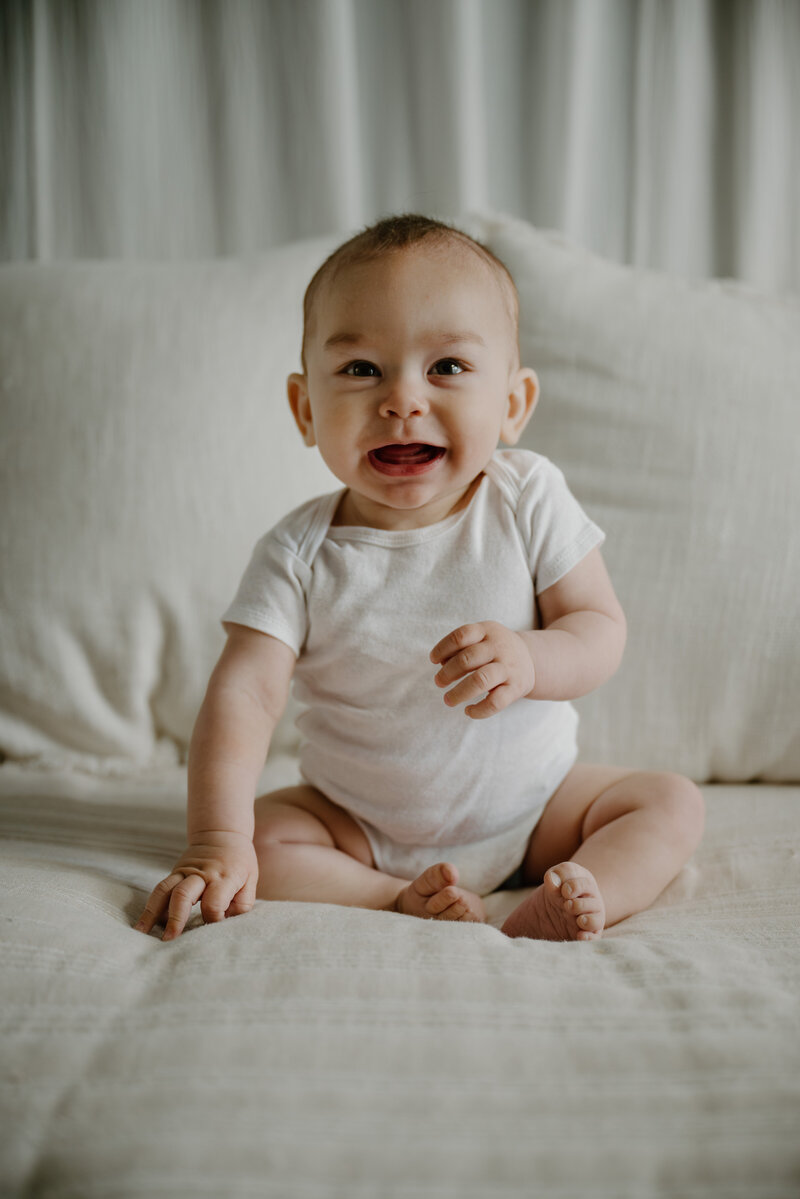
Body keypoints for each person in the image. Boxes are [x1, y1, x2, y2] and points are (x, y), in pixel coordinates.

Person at [135, 214, 704, 944]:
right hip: (361, 826)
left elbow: (599, 627)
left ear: (513, 404)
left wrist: (531, 659)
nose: (402, 398)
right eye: (361, 369)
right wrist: (218, 837)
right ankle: (398, 897)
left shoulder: (526, 497)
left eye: (447, 368)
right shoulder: (298, 553)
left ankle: (585, 890)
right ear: (306, 408)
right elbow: (244, 692)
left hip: (536, 811)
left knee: (669, 802)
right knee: (268, 838)